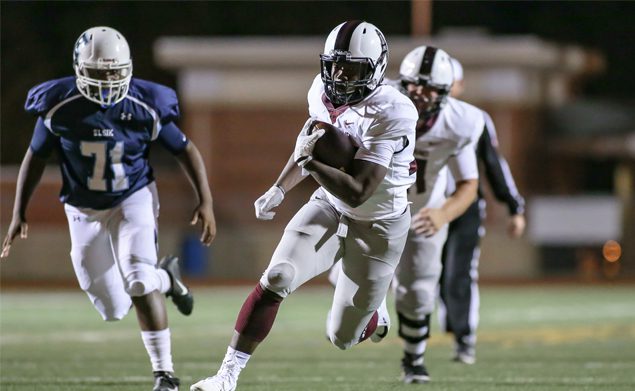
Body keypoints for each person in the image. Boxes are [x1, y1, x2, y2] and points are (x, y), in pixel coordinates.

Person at [190, 20, 418, 391]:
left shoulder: (393, 110)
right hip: (329, 205)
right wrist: (280, 188)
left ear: (376, 68)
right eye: (335, 65)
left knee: (342, 337)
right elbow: (310, 139)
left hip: (379, 224)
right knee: (277, 276)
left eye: (354, 68)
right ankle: (226, 377)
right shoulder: (320, 91)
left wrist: (311, 164)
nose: (341, 76)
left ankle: (375, 313)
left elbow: (359, 189)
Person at [1, 26, 216, 391]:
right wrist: (18, 211)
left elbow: (186, 149)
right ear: (79, 69)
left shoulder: (144, 106)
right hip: (83, 209)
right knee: (114, 308)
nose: (107, 82)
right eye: (99, 74)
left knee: (136, 279)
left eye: (115, 73)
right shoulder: (59, 106)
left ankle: (165, 374)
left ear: (127, 69)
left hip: (133, 198)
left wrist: (205, 200)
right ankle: (167, 278)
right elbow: (34, 158)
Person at [390, 46, 485, 384]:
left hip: (424, 209)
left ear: (446, 92)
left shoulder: (461, 121)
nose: (420, 93)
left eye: (430, 88)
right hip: (372, 208)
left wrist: (444, 214)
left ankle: (414, 360)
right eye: (415, 84)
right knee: (346, 319)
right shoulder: (379, 102)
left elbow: (468, 184)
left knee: (418, 291)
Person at [438, 57, 526, 365]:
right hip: (425, 207)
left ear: (459, 86)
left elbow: (493, 164)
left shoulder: (472, 119)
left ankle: (464, 338)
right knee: (423, 276)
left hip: (462, 207)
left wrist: (513, 206)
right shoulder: (410, 113)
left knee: (458, 274)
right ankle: (420, 339)